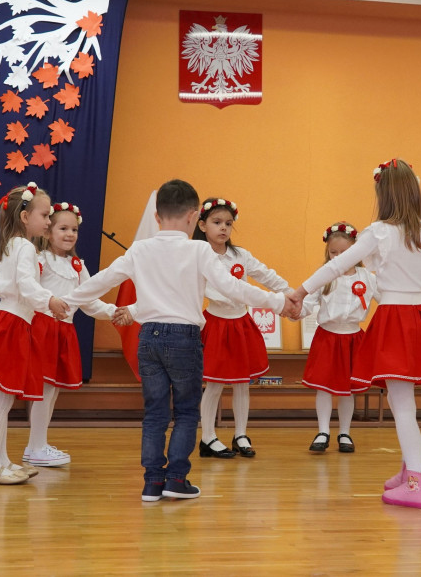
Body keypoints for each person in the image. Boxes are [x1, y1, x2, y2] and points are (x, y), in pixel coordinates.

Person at [63, 180, 297, 502]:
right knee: (186, 412)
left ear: (157, 218)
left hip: (149, 337)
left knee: (156, 412)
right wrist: (279, 303)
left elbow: (102, 280)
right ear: (192, 216)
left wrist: (63, 301)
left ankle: (151, 484)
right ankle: (176, 480)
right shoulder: (199, 249)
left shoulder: (141, 249)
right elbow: (233, 288)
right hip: (184, 339)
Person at [286, 159, 421, 509]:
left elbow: (337, 265)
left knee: (402, 403)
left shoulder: (380, 232)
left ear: (383, 194)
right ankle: (409, 470)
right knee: (402, 400)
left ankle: (417, 481)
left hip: (395, 318)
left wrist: (300, 291)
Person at [0, 182, 70, 485]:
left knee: (4, 401)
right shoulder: (24, 247)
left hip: (14, 322)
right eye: (45, 215)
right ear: (25, 217)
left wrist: (45, 304)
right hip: (11, 325)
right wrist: (50, 300)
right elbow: (26, 285)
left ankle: (1, 461)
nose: (49, 221)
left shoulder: (16, 244)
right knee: (2, 403)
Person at [24, 201, 130, 468]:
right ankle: (36, 446)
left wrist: (114, 311)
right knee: (44, 391)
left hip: (64, 331)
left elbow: (89, 301)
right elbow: (30, 293)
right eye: (63, 228)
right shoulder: (40, 260)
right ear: (48, 231)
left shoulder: (77, 265)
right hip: (43, 329)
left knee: (53, 391)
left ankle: (37, 443)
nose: (70, 234)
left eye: (74, 229)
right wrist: (48, 304)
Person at [193, 197, 291, 459]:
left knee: (242, 383)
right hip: (216, 324)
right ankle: (208, 437)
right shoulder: (198, 256)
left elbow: (266, 275)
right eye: (216, 222)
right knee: (214, 384)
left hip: (241, 325)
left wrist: (290, 293)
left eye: (228, 223)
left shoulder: (241, 255)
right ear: (202, 225)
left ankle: (240, 434)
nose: (223, 228)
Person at [299, 222, 377, 454]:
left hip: (353, 337)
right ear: (327, 253)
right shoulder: (324, 276)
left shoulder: (368, 277)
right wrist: (292, 309)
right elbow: (306, 303)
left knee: (347, 389)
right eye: (334, 253)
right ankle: (323, 431)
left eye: (345, 253)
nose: (339, 257)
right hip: (328, 338)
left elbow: (386, 300)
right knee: (323, 387)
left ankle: (345, 432)